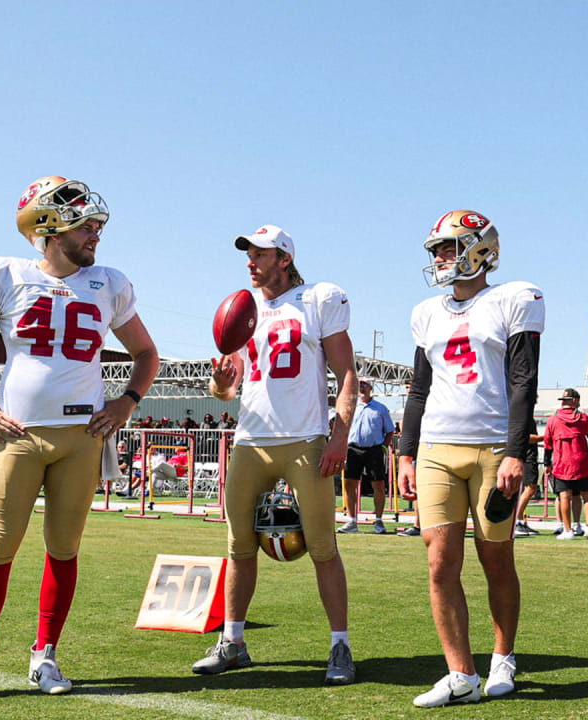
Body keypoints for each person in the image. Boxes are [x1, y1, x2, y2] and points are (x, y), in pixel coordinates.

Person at [0, 176, 159, 710]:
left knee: (64, 550)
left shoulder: (110, 283)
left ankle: (45, 654)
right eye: (85, 224)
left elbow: (146, 353)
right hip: (20, 435)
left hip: (82, 438)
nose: (96, 233)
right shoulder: (5, 274)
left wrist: (126, 403)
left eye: (96, 224)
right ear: (50, 227)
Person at [195, 224, 358, 686]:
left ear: (284, 259)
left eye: (261, 254)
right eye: (248, 253)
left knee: (324, 547)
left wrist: (339, 434)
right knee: (238, 547)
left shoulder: (318, 299)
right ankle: (233, 641)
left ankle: (340, 645)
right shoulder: (244, 312)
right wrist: (223, 382)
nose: (251, 261)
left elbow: (347, 372)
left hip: (305, 437)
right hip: (251, 440)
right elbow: (225, 391)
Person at [398, 209, 544, 706]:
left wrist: (516, 452)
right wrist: (405, 452)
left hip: (490, 446)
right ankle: (460, 674)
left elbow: (524, 380)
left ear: (479, 248)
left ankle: (502, 657)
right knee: (440, 563)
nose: (440, 258)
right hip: (437, 447)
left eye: (448, 247)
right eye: (436, 250)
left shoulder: (513, 299)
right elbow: (419, 389)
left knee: (495, 558)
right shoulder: (425, 312)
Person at [339, 380, 396, 534]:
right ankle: (351, 521)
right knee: (349, 485)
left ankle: (378, 521)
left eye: (365, 386)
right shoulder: (350, 407)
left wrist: (384, 447)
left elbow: (390, 430)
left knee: (378, 485)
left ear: (371, 388)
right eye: (359, 386)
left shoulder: (381, 409)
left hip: (374, 450)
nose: (362, 389)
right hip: (353, 449)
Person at [544, 388, 588, 541]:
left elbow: (548, 445)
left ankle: (567, 530)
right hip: (582, 463)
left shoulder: (552, 420)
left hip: (562, 464)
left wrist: (547, 463)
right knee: (587, 496)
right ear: (575, 401)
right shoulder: (582, 418)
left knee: (564, 497)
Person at [513, 418, 545, 537]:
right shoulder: (523, 418)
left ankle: (520, 521)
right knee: (531, 488)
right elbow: (525, 437)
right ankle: (517, 521)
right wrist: (545, 437)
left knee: (524, 490)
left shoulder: (525, 417)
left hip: (526, 456)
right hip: (527, 457)